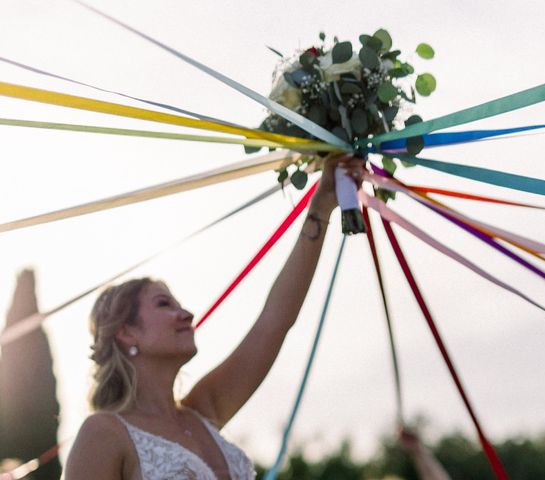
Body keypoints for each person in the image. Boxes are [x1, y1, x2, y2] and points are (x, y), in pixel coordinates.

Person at [64, 154, 363, 480]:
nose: (187, 314)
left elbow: (275, 321)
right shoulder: (104, 434)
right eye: (165, 304)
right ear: (126, 332)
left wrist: (320, 206)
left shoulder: (204, 410)